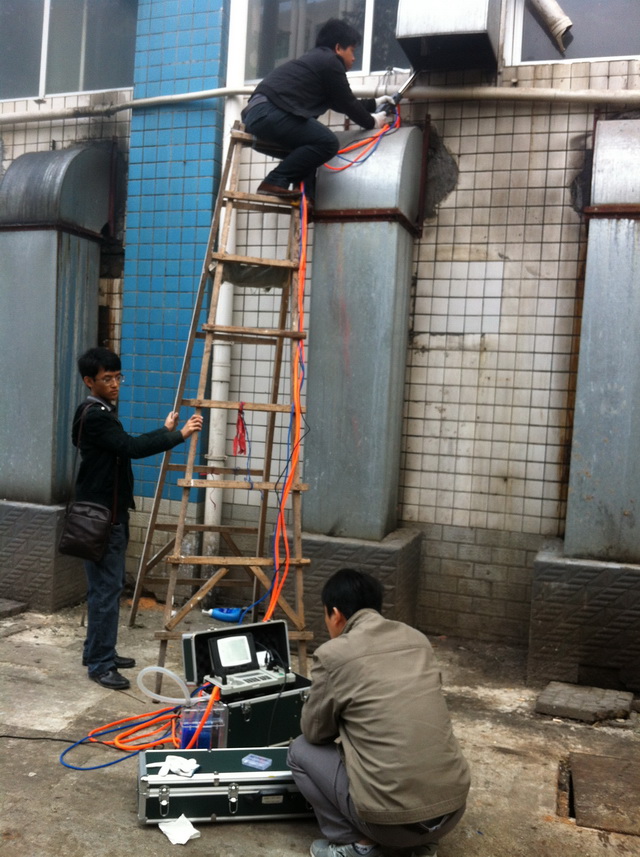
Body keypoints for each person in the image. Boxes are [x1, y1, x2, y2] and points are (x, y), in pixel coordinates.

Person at [287, 569, 470, 857]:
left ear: (336, 614)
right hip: (451, 812)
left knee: (300, 751)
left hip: (389, 826)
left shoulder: (333, 654)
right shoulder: (417, 640)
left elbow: (315, 732)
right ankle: (420, 846)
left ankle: (359, 846)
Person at [72, 347, 203, 690]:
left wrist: (163, 431)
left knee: (104, 588)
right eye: (107, 379)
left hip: (104, 513)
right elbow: (130, 448)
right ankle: (101, 664)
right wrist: (177, 435)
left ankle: (97, 652)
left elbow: (124, 445)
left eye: (118, 377)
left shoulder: (97, 411)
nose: (115, 384)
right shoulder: (96, 415)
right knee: (106, 590)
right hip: (104, 519)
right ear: (89, 381)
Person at [241, 18, 393, 201]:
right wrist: (372, 122)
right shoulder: (330, 62)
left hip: (257, 115)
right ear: (338, 48)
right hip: (268, 112)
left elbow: (342, 102)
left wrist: (375, 103)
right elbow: (348, 103)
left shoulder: (317, 62)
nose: (354, 58)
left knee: (308, 151)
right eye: (352, 51)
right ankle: (274, 181)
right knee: (327, 143)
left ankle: (306, 200)